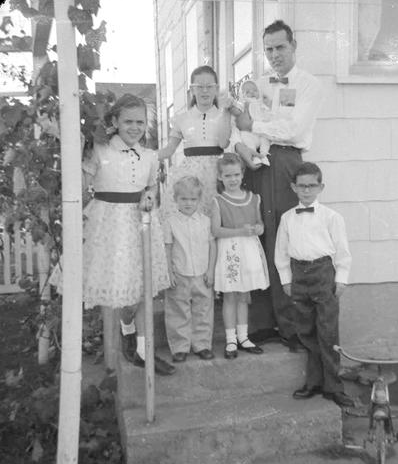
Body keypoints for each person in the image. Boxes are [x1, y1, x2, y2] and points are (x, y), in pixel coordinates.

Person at [234, 20, 326, 350]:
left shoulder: (309, 85)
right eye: (269, 49)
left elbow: (295, 129)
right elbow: (243, 127)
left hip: (288, 164)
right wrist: (243, 144)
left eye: (280, 47)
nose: (274, 54)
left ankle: (293, 328)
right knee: (259, 236)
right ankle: (261, 323)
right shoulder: (257, 84)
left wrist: (257, 124)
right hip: (257, 165)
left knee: (288, 239)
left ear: (293, 46)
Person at [82, 94, 175, 376]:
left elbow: (150, 188)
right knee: (119, 289)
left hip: (140, 223)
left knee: (144, 287)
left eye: (140, 122)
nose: (135, 127)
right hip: (109, 226)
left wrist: (149, 197)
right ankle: (122, 336)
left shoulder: (149, 156)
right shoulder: (99, 150)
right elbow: (84, 182)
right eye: (129, 121)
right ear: (115, 122)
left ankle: (142, 351)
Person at [274, 162, 354, 407]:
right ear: (293, 187)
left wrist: (341, 279)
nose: (306, 191)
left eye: (311, 186)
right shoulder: (287, 218)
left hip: (323, 274)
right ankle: (314, 382)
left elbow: (342, 252)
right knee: (306, 331)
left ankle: (334, 386)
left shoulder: (332, 217)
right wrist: (287, 280)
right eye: (301, 186)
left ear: (321, 187)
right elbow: (281, 253)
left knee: (328, 331)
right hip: (299, 275)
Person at [211, 153, 269, 359]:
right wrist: (240, 231)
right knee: (230, 295)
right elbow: (216, 231)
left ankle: (244, 337)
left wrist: (257, 229)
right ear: (220, 177)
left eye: (236, 174)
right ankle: (230, 339)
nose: (233, 179)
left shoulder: (254, 198)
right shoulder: (218, 201)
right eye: (227, 176)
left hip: (249, 250)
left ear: (243, 174)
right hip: (230, 252)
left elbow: (260, 224)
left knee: (244, 296)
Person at [158, 65, 234, 219]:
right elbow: (169, 150)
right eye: (199, 87)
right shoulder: (182, 119)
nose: (204, 91)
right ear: (192, 90)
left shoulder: (224, 115)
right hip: (191, 175)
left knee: (215, 218)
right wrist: (142, 155)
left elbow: (223, 143)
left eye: (209, 86)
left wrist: (226, 111)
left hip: (217, 173)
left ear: (216, 89)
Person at [163, 176, 217, 363]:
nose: (188, 203)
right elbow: (168, 248)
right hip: (180, 273)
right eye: (184, 199)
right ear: (175, 199)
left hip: (202, 273)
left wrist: (211, 271)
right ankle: (180, 346)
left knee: (203, 309)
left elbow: (212, 246)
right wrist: (169, 273)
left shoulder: (205, 221)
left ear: (199, 200)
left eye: (193, 199)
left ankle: (202, 344)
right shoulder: (170, 222)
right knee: (178, 310)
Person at [230, 79, 271, 167]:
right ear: (242, 95)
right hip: (249, 133)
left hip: (261, 132)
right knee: (245, 137)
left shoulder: (261, 104)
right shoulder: (243, 104)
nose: (252, 93)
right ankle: (254, 156)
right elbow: (237, 112)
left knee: (266, 139)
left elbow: (268, 115)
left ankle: (264, 155)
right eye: (248, 91)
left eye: (255, 90)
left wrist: (267, 105)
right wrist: (232, 106)